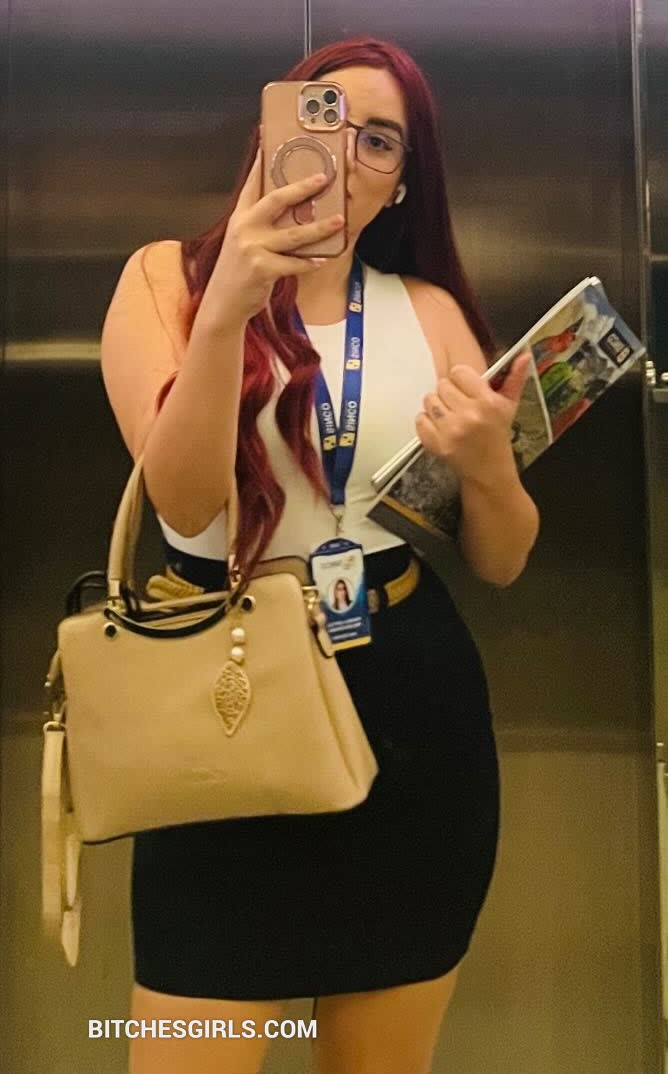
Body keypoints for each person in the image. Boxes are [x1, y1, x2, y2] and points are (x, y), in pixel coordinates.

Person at [100, 35, 539, 1074]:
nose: (347, 153)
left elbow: (503, 558)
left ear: (400, 185)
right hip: (221, 704)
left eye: (381, 140)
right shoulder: (165, 280)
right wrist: (228, 309)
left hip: (409, 713)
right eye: (326, 117)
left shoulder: (426, 312)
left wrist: (489, 465)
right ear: (273, 133)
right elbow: (185, 501)